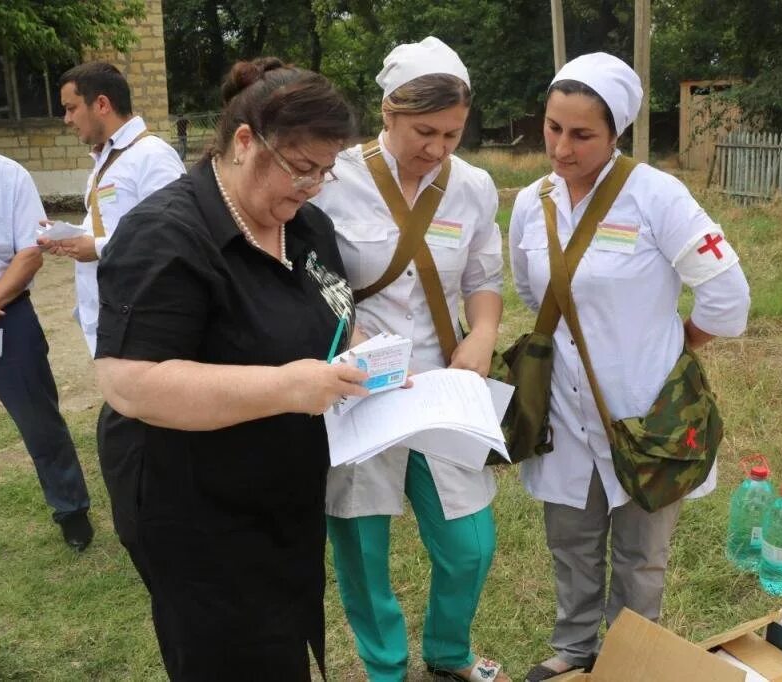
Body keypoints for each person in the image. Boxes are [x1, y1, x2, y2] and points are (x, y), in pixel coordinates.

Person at [92, 57, 368, 680]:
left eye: (325, 173)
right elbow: (129, 381)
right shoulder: (165, 235)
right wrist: (289, 386)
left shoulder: (306, 225)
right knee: (228, 652)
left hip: (281, 489)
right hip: (194, 504)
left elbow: (331, 311)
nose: (310, 187)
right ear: (245, 141)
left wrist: (361, 358)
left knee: (280, 637)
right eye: (301, 169)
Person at [508, 53, 751, 681]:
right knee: (571, 540)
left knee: (642, 555)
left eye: (582, 134)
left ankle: (627, 661)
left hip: (646, 417)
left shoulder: (657, 197)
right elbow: (536, 298)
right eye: (553, 127)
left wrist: (675, 342)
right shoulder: (533, 204)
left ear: (616, 133)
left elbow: (728, 300)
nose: (562, 148)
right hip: (563, 408)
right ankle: (574, 650)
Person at [312, 37, 509, 682]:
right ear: (388, 113)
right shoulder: (332, 177)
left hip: (442, 381)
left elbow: (483, 276)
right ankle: (385, 667)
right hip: (357, 380)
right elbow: (303, 273)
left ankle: (448, 650)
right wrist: (349, 335)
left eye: (452, 133)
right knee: (363, 542)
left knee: (469, 542)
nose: (437, 148)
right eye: (424, 131)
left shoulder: (474, 187)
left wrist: (480, 335)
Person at [0, 62, 92, 557]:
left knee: (40, 422)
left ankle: (71, 509)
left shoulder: (11, 177)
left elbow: (30, 253)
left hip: (10, 318)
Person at [38, 62, 184, 357]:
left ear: (101, 104)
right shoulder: (107, 158)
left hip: (144, 319)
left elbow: (175, 235)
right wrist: (69, 236)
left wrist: (98, 247)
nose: (66, 119)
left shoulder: (152, 156)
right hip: (115, 315)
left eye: (71, 108)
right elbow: (114, 225)